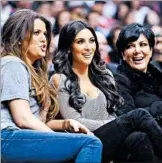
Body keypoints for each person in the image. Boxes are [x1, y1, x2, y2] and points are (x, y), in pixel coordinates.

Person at [50, 20, 162, 162]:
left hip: (109, 138)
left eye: (91, 41)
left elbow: (113, 111)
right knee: (138, 116)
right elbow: (76, 122)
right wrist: (115, 123)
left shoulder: (104, 75)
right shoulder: (59, 79)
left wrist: (116, 123)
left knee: (138, 138)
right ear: (68, 48)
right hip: (84, 140)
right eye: (80, 42)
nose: (88, 47)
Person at [1, 9, 103, 163]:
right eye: (37, 33)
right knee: (90, 143)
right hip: (6, 138)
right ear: (19, 37)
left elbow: (35, 121)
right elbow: (22, 118)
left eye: (45, 34)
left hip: (16, 138)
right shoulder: (12, 63)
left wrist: (65, 124)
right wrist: (53, 137)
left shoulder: (33, 71)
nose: (44, 39)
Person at [114, 23, 162, 128]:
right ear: (123, 54)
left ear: (150, 50)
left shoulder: (158, 76)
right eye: (130, 46)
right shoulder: (119, 81)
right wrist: (157, 107)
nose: (137, 51)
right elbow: (127, 119)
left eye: (143, 44)